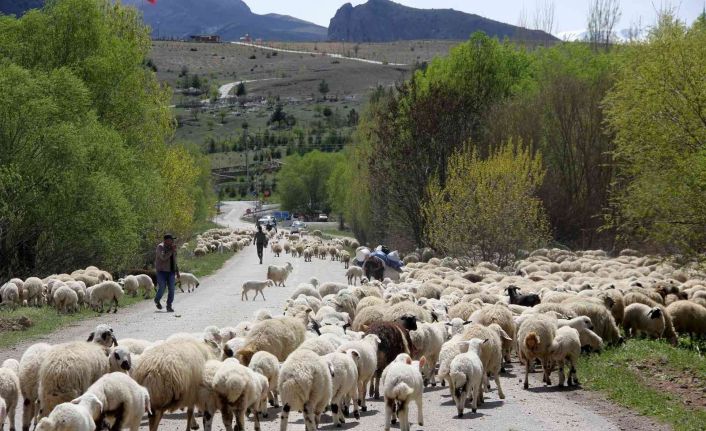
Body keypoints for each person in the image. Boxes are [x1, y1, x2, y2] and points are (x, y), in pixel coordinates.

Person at [154, 233, 179, 312]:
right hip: (162, 271)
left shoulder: (172, 248)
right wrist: (171, 251)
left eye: (172, 240)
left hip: (171, 271)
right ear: (166, 240)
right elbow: (163, 258)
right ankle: (157, 300)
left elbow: (175, 260)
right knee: (162, 287)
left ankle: (169, 305)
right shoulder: (160, 247)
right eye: (171, 240)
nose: (172, 241)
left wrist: (177, 271)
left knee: (172, 289)